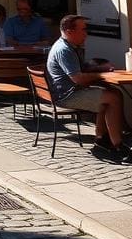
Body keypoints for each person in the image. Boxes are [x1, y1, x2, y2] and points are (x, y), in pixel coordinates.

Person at [46, 14, 126, 158]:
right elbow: (78, 79)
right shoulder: (64, 50)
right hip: (67, 96)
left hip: (67, 91)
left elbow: (80, 69)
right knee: (113, 98)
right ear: (69, 32)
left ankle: (102, 139)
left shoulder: (69, 46)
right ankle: (118, 145)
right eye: (83, 30)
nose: (86, 34)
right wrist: (102, 76)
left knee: (113, 93)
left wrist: (99, 67)